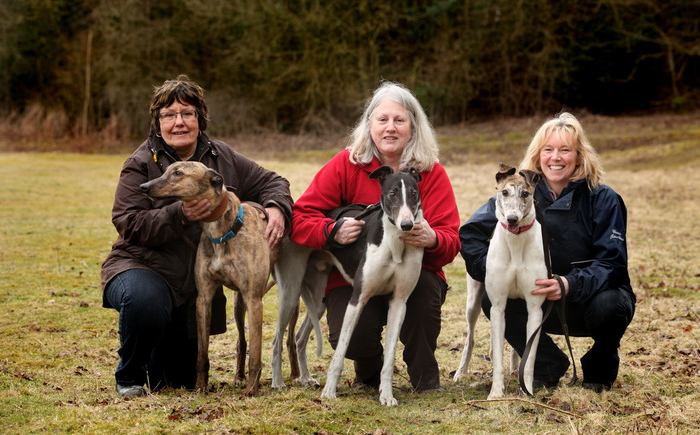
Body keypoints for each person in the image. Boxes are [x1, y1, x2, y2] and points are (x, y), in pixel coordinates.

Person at [101, 75, 293, 398]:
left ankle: (162, 358)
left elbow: (273, 181)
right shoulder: (140, 163)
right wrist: (178, 214)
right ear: (157, 122)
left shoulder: (222, 157)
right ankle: (130, 375)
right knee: (145, 300)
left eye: (187, 113)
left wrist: (277, 208)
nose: (179, 122)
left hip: (191, 290)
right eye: (169, 115)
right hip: (143, 268)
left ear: (199, 120)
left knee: (177, 381)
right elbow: (127, 221)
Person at [291, 81, 461, 393]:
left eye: (399, 120)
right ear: (369, 124)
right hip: (356, 275)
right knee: (352, 333)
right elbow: (301, 216)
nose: (390, 128)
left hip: (415, 273)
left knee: (422, 298)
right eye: (382, 119)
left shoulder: (430, 171)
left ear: (413, 125)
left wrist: (433, 238)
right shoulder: (347, 163)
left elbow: (452, 240)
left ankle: (425, 378)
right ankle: (368, 372)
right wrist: (332, 231)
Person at [460, 112, 635, 392]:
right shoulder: (522, 194)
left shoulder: (603, 199)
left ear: (579, 156)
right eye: (549, 149)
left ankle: (598, 371)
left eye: (565, 150)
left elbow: (612, 264)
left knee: (611, 305)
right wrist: (490, 272)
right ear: (538, 155)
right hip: (540, 301)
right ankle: (546, 364)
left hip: (588, 301)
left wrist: (569, 284)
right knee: (492, 302)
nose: (556, 157)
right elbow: (470, 233)